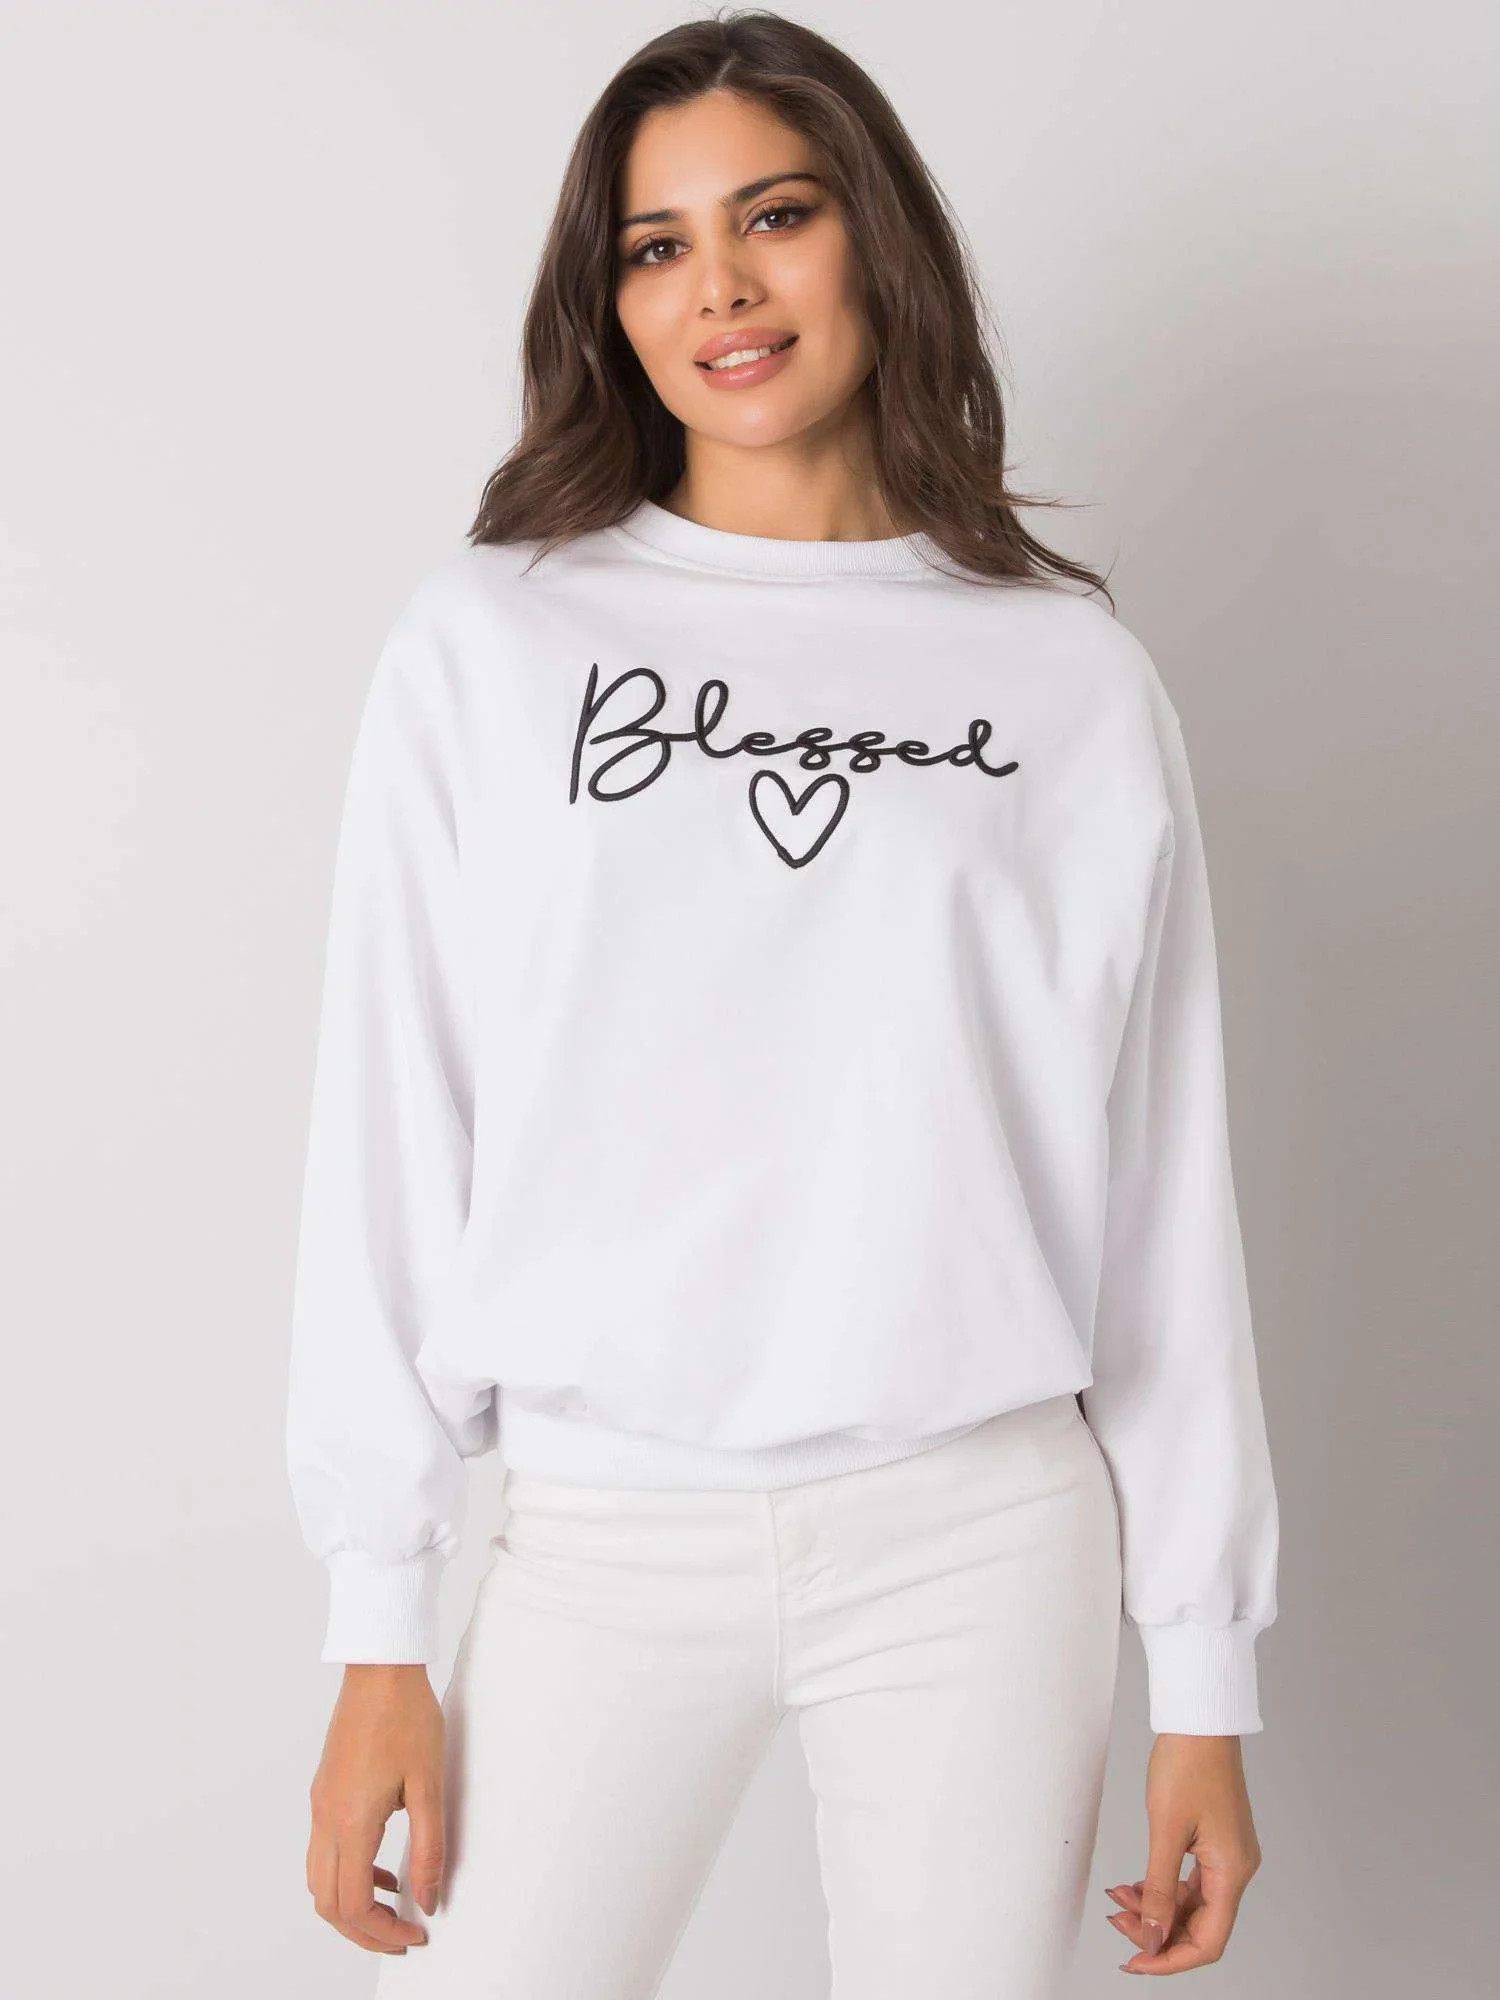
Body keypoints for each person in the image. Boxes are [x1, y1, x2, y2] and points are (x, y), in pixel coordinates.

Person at [285, 10, 1279, 1995]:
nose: (720, 287)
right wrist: (378, 1622)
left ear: (873, 241)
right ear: (609, 304)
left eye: (776, 216)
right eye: (655, 246)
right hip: (603, 1530)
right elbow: (394, 1113)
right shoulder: (497, 640)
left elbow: (1162, 1195)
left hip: (983, 1541)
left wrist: (1205, 1676)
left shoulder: (1067, 679)